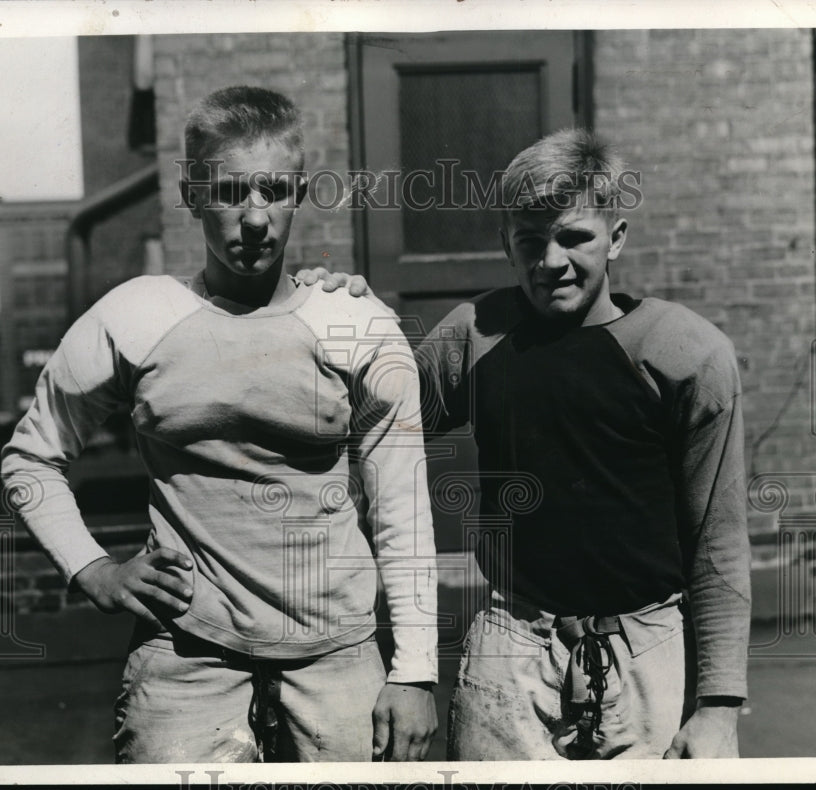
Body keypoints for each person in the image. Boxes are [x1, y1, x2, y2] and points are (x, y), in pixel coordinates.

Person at [1, 86, 438, 764]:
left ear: (301, 191)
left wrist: (413, 671)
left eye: (275, 191)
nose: (256, 218)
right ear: (191, 192)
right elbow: (31, 456)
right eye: (232, 191)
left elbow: (402, 505)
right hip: (185, 653)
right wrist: (93, 569)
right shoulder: (136, 316)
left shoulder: (356, 323)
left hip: (337, 651)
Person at [300, 128, 751, 760]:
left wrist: (719, 707)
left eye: (574, 238)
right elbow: (368, 431)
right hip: (512, 640)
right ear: (505, 245)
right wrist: (332, 313)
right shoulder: (475, 337)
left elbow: (718, 538)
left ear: (616, 236)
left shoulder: (687, 354)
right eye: (530, 241)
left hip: (647, 645)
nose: (551, 262)